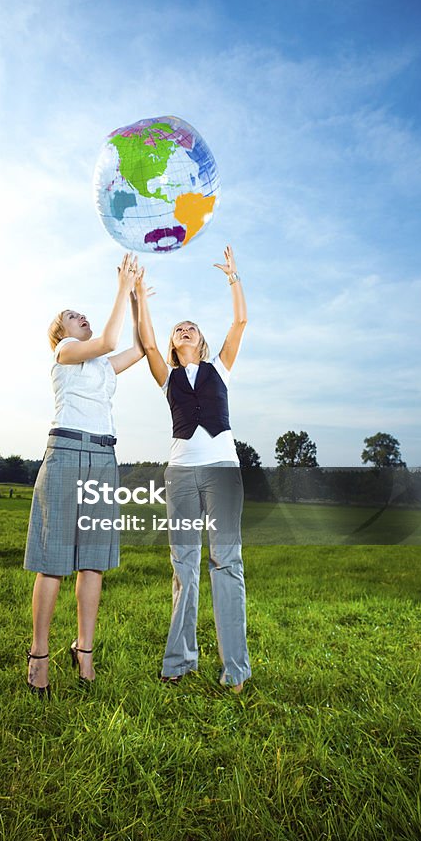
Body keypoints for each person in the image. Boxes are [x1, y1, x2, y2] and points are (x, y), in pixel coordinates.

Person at [23, 253, 144, 697]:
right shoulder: (65, 353)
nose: (81, 317)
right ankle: (38, 657)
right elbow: (110, 339)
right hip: (67, 453)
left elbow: (141, 347)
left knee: (93, 563)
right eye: (72, 316)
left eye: (81, 313)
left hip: (103, 460)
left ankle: (84, 652)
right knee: (53, 563)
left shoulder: (101, 366)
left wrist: (135, 300)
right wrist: (120, 289)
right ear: (61, 333)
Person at [136, 245, 251, 692]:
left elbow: (240, 322)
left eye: (191, 327)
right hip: (181, 474)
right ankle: (180, 661)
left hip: (222, 470)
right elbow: (146, 341)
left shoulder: (220, 366)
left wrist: (233, 279)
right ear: (174, 342)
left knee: (227, 562)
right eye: (178, 328)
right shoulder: (166, 376)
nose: (183, 329)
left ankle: (235, 670)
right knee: (183, 566)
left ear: (200, 341)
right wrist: (140, 297)